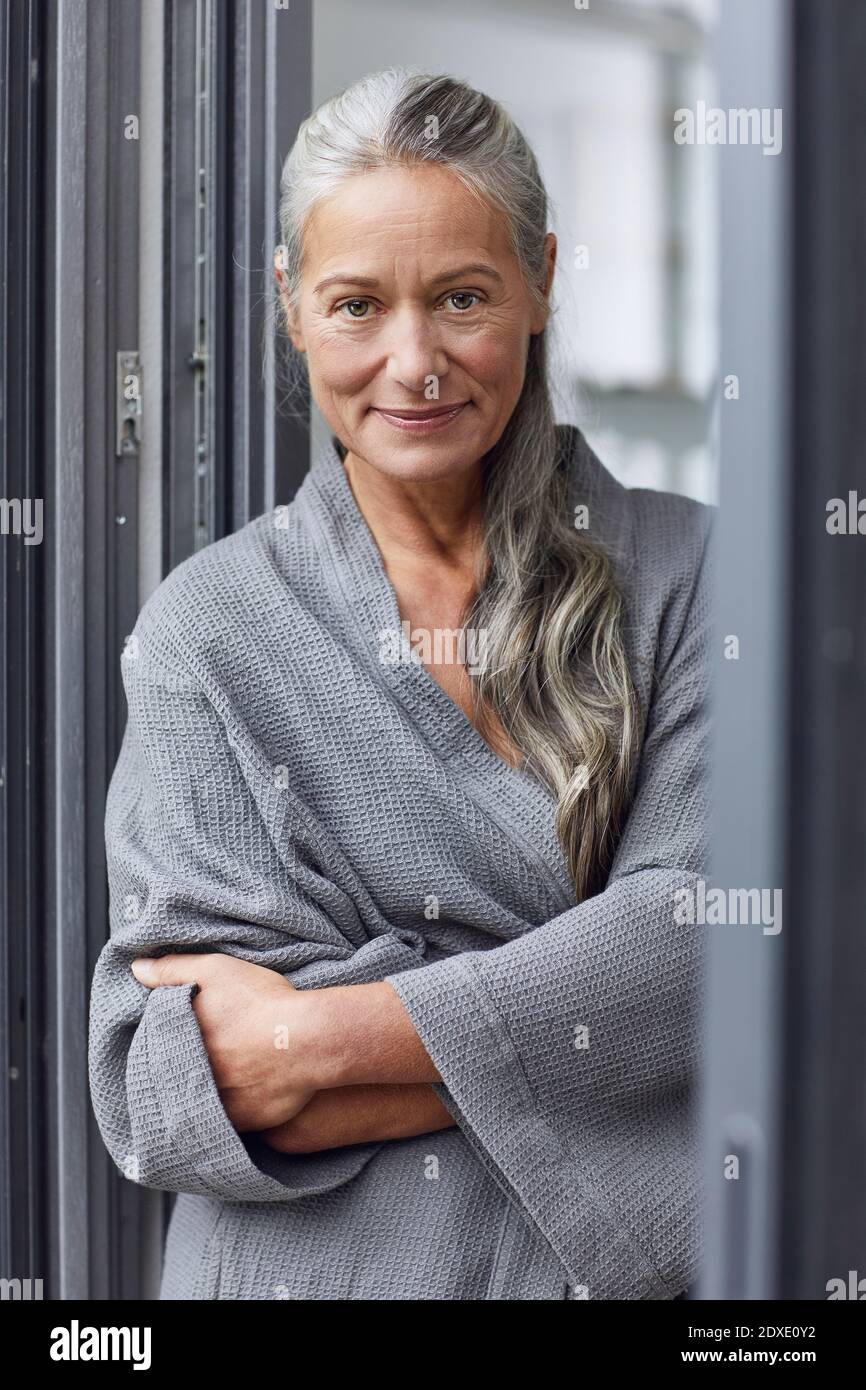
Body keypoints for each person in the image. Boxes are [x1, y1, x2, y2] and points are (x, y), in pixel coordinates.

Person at [88, 68, 715, 1300]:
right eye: (357, 304)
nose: (414, 361)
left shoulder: (702, 574)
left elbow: (702, 941)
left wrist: (316, 1029)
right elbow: (173, 1084)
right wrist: (585, 1007)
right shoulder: (206, 629)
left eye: (462, 297)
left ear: (538, 278)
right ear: (289, 306)